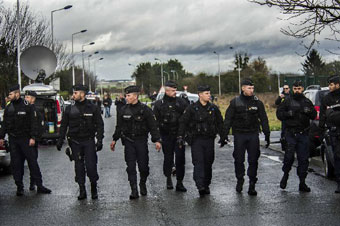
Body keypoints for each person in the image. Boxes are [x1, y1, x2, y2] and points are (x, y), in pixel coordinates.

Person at [110, 85, 162, 200]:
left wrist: (157, 140)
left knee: (143, 167)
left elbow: (153, 126)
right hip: (128, 142)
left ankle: (142, 183)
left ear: (135, 96)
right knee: (131, 167)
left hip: (141, 141)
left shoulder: (145, 110)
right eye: (126, 95)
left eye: (128, 95)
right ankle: (134, 189)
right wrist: (114, 139)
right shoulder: (123, 110)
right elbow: (119, 126)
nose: (126, 97)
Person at [0, 85, 51, 196]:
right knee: (16, 164)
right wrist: (1, 137)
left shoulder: (27, 106)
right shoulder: (9, 107)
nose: (9, 96)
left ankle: (39, 185)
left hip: (26, 139)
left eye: (10, 94)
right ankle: (19, 186)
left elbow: (34, 123)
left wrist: (33, 137)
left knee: (32, 162)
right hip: (14, 139)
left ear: (17, 93)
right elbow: (4, 124)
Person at [57, 85, 104, 200]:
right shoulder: (69, 109)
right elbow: (64, 125)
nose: (73, 95)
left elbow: (99, 125)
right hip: (75, 141)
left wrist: (100, 140)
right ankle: (82, 189)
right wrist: (60, 139)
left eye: (75, 93)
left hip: (88, 141)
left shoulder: (92, 108)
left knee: (91, 166)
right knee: (78, 166)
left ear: (82, 94)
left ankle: (93, 186)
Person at [224, 78, 270, 196]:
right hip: (239, 134)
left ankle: (252, 184)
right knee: (239, 160)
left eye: (252, 88)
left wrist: (267, 134)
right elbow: (228, 119)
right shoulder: (235, 102)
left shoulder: (257, 103)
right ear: (243, 88)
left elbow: (264, 119)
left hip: (253, 134)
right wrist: (224, 135)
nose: (251, 90)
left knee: (253, 160)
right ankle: (240, 179)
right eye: (249, 88)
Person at [178, 85, 226, 197]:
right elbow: (183, 122)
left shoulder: (213, 108)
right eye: (206, 93)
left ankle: (206, 184)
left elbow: (220, 123)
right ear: (200, 94)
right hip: (196, 140)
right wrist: (180, 136)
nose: (209, 95)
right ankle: (200, 185)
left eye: (209, 93)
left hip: (209, 139)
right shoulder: (191, 108)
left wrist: (223, 137)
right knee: (198, 162)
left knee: (208, 163)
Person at [277, 80, 316, 192]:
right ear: (292, 89)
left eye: (299, 89)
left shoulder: (307, 102)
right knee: (289, 157)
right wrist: (287, 114)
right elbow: (279, 114)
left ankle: (302, 182)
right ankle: (285, 175)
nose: (297, 91)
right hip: (291, 134)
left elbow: (314, 115)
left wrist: (308, 112)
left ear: (302, 89)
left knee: (303, 159)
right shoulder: (287, 101)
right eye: (295, 89)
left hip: (303, 134)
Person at [153, 81, 188, 191]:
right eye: (172, 90)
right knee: (168, 158)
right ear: (166, 91)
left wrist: (185, 134)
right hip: (166, 135)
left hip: (179, 135)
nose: (174, 92)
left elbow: (187, 119)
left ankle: (179, 182)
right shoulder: (159, 104)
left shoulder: (181, 102)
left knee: (180, 159)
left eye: (175, 90)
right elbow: (155, 123)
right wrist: (157, 138)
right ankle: (168, 178)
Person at [319, 76, 340, 193]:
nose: (329, 87)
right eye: (329, 84)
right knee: (337, 157)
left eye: (332, 84)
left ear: (338, 85)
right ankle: (339, 182)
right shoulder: (327, 99)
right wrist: (321, 130)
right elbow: (322, 116)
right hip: (334, 131)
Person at [24, 91, 44, 191]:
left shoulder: (36, 111)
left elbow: (39, 126)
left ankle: (33, 182)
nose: (26, 99)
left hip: (32, 141)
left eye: (28, 97)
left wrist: (35, 138)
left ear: (33, 99)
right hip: (22, 140)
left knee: (32, 162)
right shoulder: (23, 109)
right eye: (25, 97)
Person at [275, 84, 291, 151]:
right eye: (284, 89)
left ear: (289, 89)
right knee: (283, 131)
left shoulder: (291, 96)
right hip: (284, 116)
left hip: (290, 116)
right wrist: (280, 98)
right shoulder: (282, 96)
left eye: (286, 88)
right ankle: (284, 145)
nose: (285, 90)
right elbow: (276, 103)